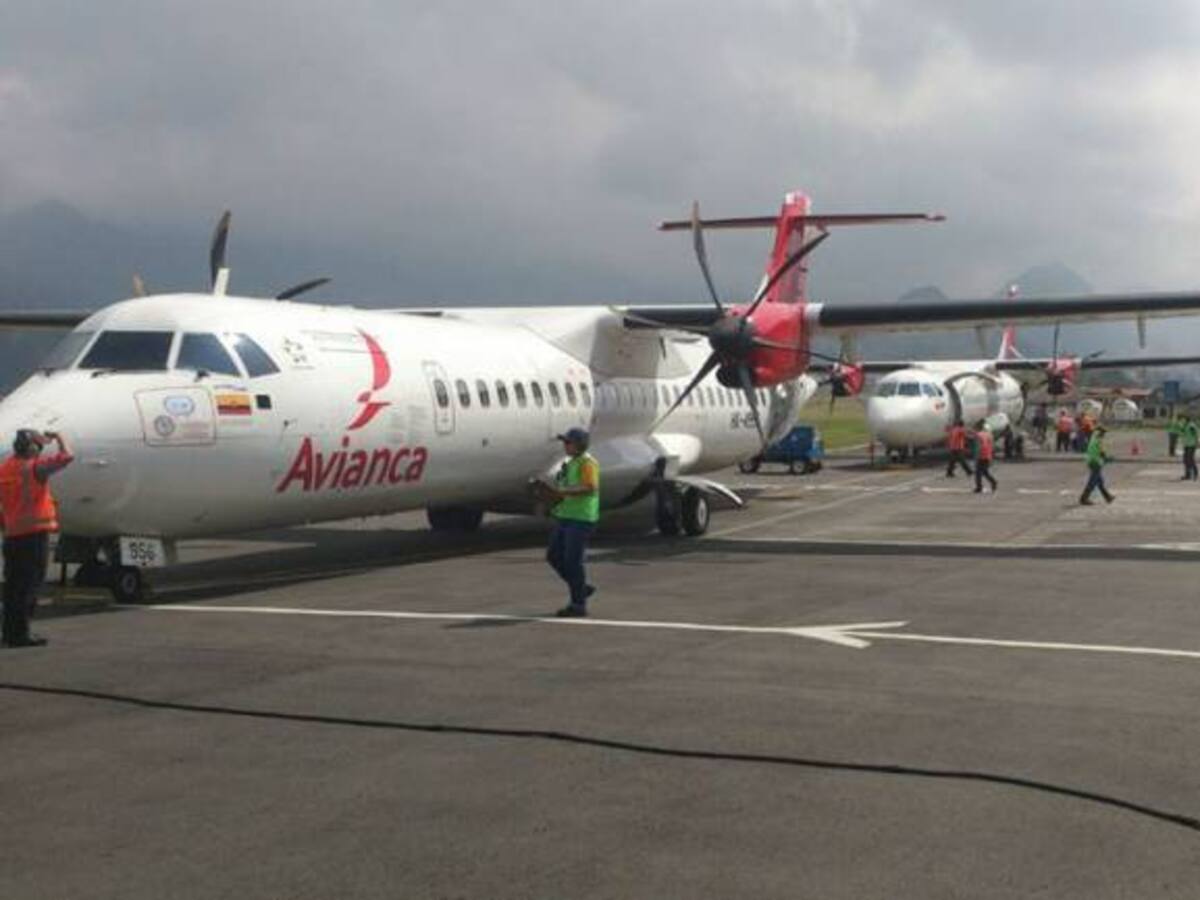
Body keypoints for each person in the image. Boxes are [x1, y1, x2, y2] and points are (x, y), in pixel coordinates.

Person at [0, 429, 74, 648]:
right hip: (33, 537)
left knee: (13, 587)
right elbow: (67, 457)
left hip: (12, 536)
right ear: (32, 447)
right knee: (29, 586)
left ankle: (10, 632)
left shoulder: (5, 469)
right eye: (38, 446)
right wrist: (60, 436)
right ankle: (20, 635)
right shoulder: (34, 468)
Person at [543, 428, 600, 618]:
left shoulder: (587, 463)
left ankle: (578, 604)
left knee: (573, 561)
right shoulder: (568, 463)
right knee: (553, 556)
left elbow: (590, 486)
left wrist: (565, 492)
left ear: (578, 445)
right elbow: (561, 487)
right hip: (566, 515)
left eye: (568, 442)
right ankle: (581, 588)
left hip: (581, 518)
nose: (565, 445)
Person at [1079, 425, 1114, 505]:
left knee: (1099, 481)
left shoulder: (1093, 438)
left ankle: (1108, 497)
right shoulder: (1098, 440)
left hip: (1092, 461)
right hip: (1095, 462)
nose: (1104, 435)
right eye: (1103, 433)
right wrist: (1108, 459)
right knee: (1092, 482)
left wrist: (1105, 458)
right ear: (1099, 433)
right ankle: (1083, 498)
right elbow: (1102, 453)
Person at [971, 421, 997, 493]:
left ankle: (979, 487)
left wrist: (976, 457)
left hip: (981, 456)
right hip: (988, 455)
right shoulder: (989, 435)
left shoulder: (978, 435)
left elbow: (978, 447)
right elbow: (992, 446)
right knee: (984, 471)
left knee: (978, 473)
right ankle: (993, 482)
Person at [1181, 415, 1199, 481]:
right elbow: (1184, 434)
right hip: (1187, 445)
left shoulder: (1191, 426)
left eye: (1183, 420)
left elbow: (1196, 434)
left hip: (1191, 445)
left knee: (1190, 459)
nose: (1182, 421)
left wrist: (1197, 442)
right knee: (1185, 460)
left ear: (1186, 420)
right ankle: (1187, 475)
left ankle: (1195, 474)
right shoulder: (1186, 425)